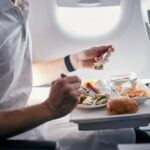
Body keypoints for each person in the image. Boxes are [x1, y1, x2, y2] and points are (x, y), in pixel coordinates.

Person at [0, 0, 149, 150]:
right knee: (134, 139)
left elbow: (18, 73)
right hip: (15, 130)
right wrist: (49, 108)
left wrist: (74, 61)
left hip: (30, 111)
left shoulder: (19, 5)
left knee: (131, 133)